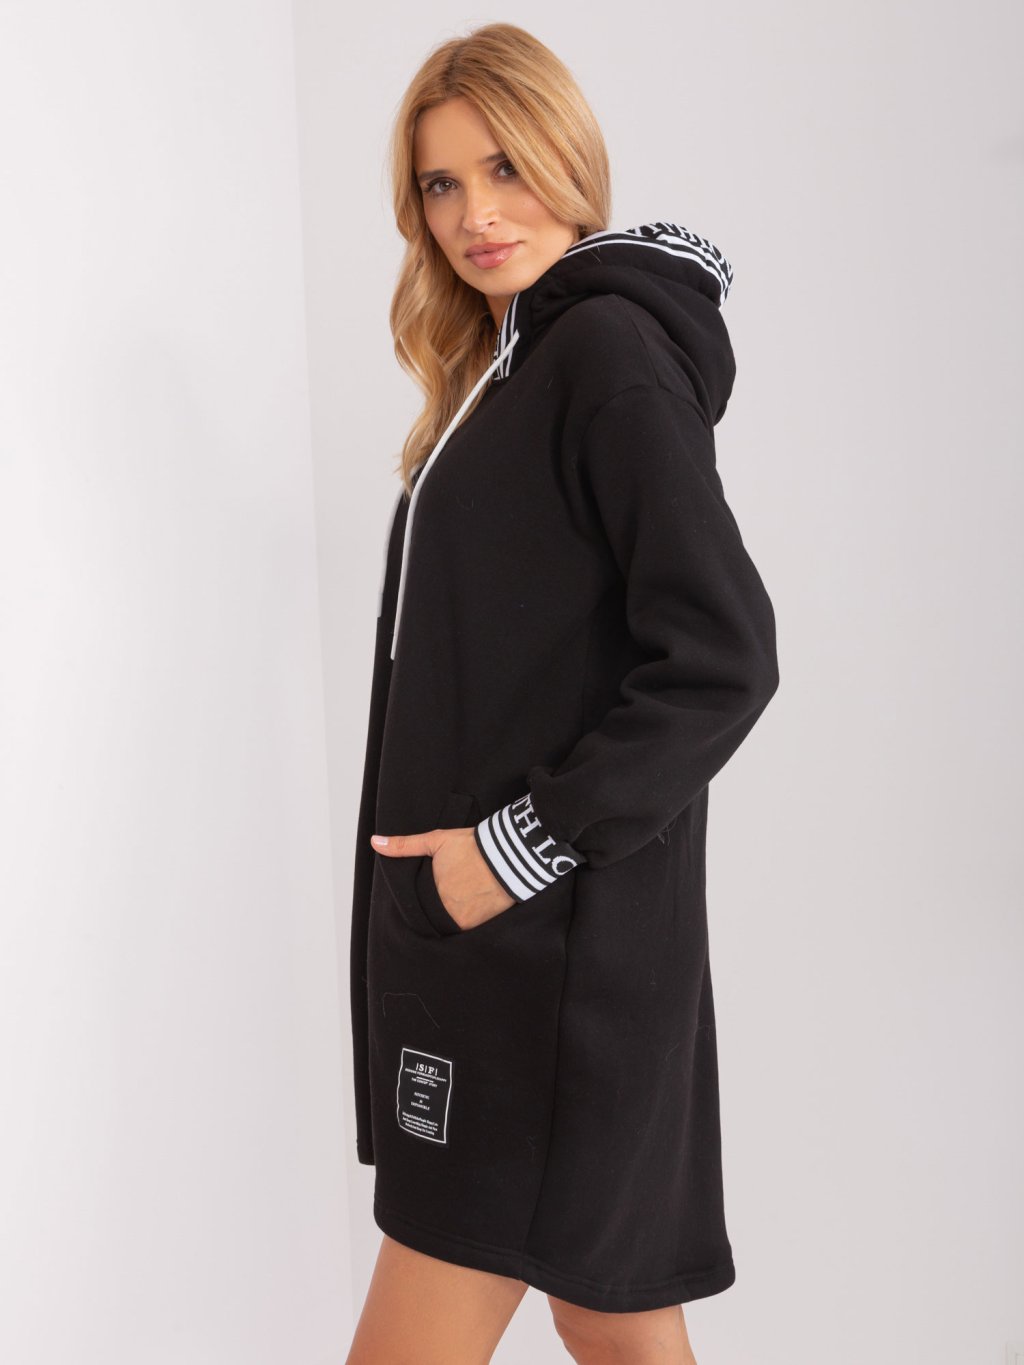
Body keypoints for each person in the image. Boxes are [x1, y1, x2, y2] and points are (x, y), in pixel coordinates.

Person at [345, 22, 780, 1365]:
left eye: (506, 168)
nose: (476, 215)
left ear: (569, 159)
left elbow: (723, 655)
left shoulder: (604, 355)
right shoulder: (507, 372)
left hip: (541, 970)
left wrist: (508, 853)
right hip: (517, 959)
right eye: (441, 185)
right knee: (613, 1317)